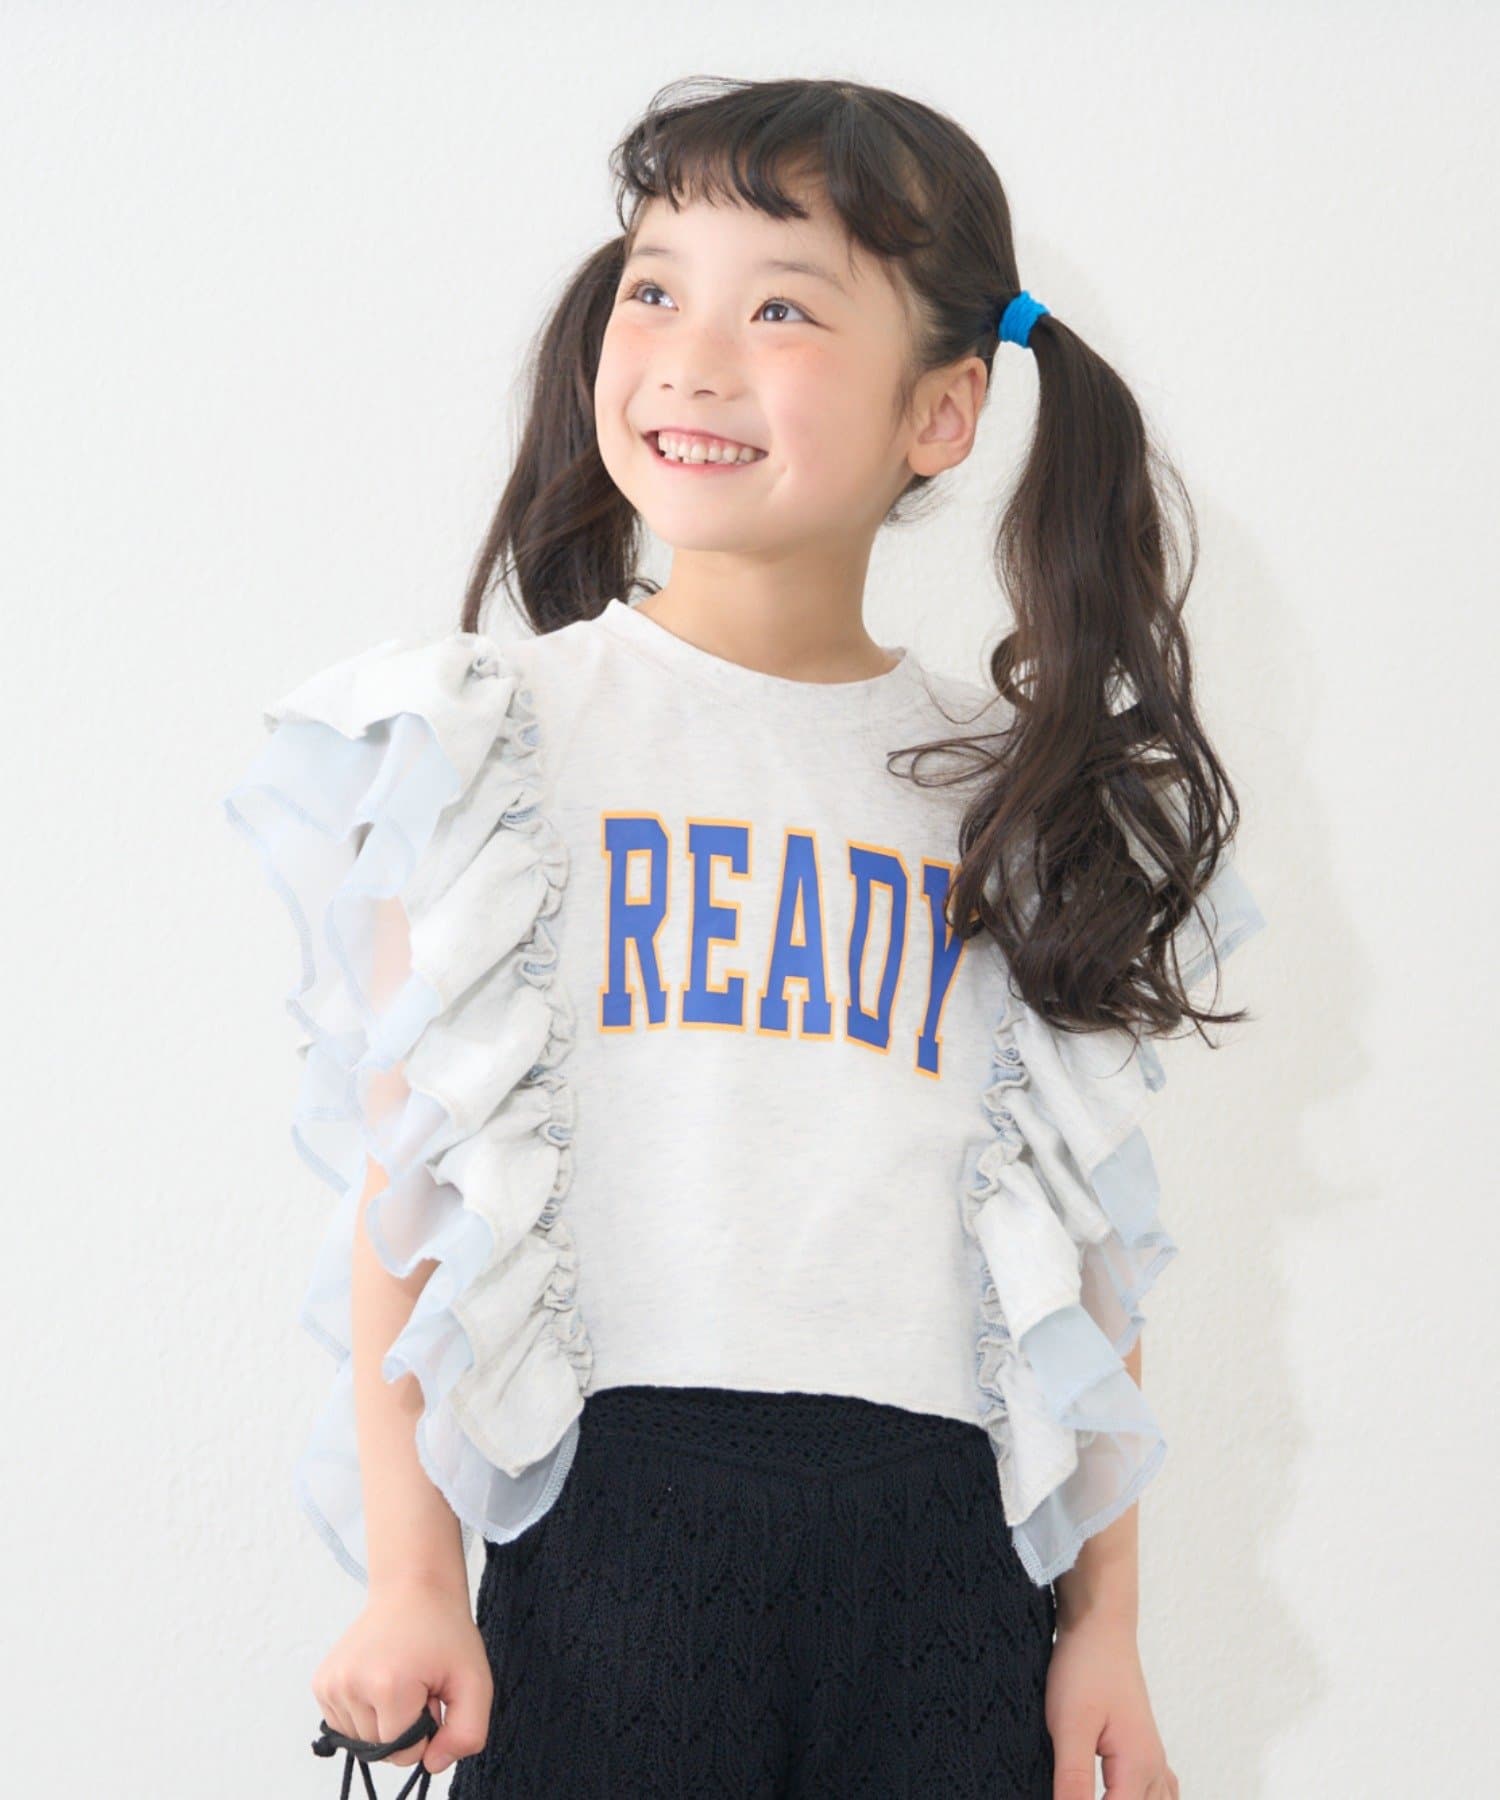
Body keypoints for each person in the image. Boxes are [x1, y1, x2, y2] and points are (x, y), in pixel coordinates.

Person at [223, 75, 1265, 1800]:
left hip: (947, 1575)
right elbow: (409, 1204)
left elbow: (1078, 1263)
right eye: (656, 289)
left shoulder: (1014, 794)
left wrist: (1107, 1627)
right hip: (609, 1549)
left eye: (781, 308)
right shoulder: (489, 741)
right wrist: (415, 1581)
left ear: (943, 411)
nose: (692, 357)